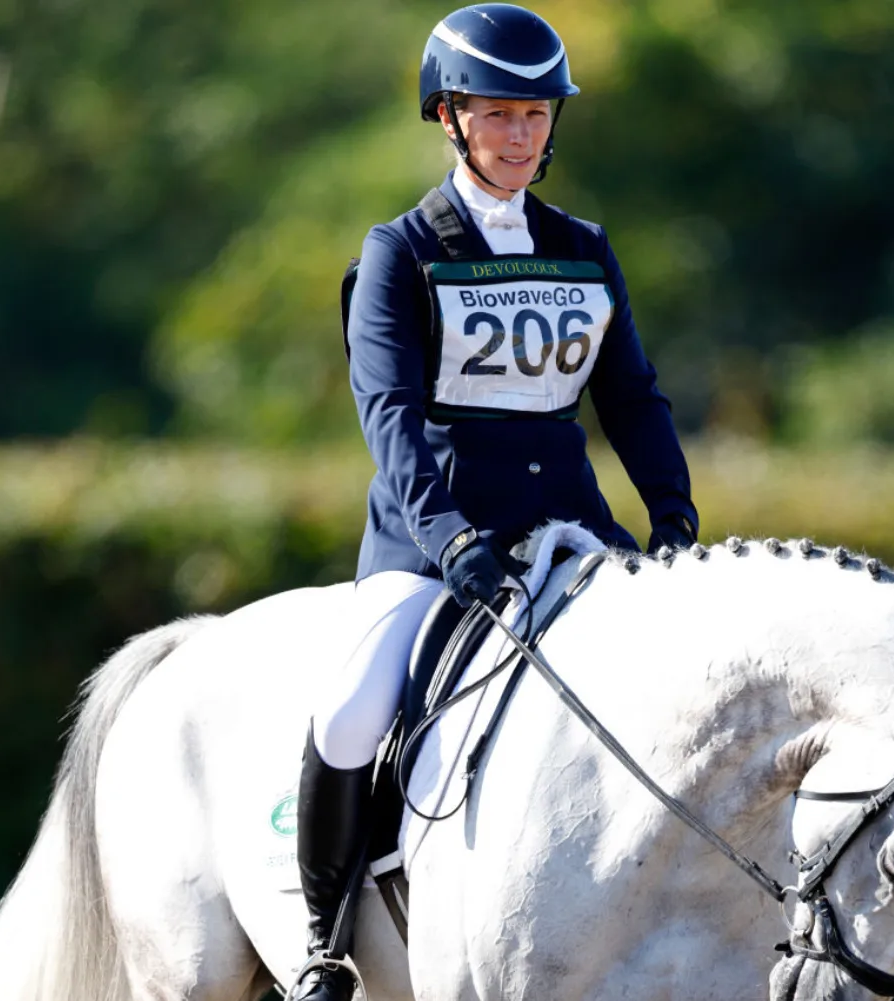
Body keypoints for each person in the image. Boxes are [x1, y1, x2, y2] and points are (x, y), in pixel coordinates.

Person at [292, 4, 699, 998]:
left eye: (538, 115)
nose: (522, 135)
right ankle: (325, 935)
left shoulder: (583, 248)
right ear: (450, 117)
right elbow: (386, 411)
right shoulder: (401, 250)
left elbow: (631, 396)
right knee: (349, 713)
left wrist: (673, 512)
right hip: (438, 542)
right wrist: (448, 536)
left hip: (574, 535)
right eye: (500, 115)